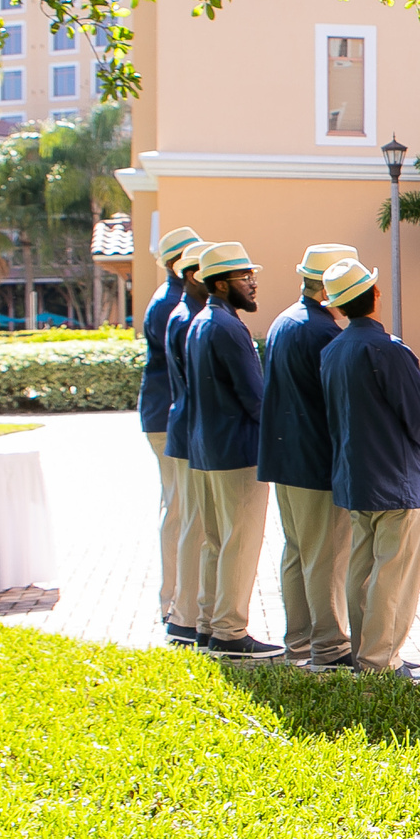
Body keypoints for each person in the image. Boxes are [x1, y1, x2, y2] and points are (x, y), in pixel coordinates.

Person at [318, 257, 420, 680]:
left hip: (355, 476)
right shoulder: (388, 348)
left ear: (337, 307)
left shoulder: (332, 351)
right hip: (396, 477)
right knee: (393, 573)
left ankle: (366, 652)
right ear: (375, 295)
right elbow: (419, 411)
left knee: (362, 567)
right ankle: (380, 660)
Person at [258, 243, 359, 669]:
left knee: (298, 552)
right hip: (315, 458)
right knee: (325, 556)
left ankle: (299, 640)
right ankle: (329, 645)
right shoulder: (323, 331)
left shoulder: (285, 320)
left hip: (285, 458)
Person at [184, 242, 281, 659]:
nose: (253, 284)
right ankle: (229, 631)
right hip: (238, 451)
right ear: (221, 284)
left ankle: (209, 625)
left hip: (206, 449)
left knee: (216, 541)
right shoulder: (228, 326)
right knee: (239, 543)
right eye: (245, 278)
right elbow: (255, 396)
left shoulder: (200, 322)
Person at [137, 224, 198, 639]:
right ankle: (173, 601)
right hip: (166, 417)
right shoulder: (173, 304)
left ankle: (176, 598)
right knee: (177, 508)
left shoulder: (170, 299)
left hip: (162, 414)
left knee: (175, 504)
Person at [160, 239, 212, 646]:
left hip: (191, 431)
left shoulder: (189, 313)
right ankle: (185, 616)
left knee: (196, 525)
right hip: (192, 433)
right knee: (194, 526)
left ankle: (189, 613)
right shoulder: (187, 317)